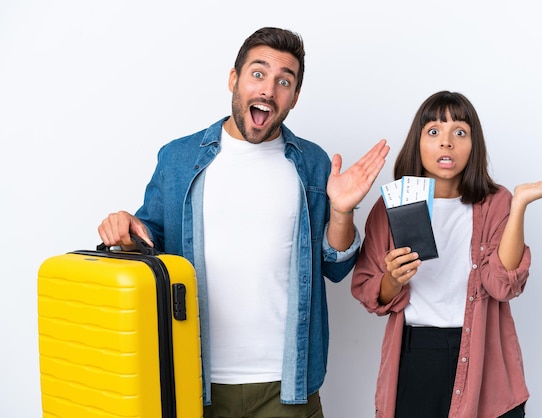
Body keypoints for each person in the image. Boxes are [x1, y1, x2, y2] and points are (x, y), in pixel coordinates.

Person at [97, 27, 389, 418]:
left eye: (284, 81)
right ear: (233, 79)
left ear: (294, 97)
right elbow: (151, 244)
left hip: (287, 385)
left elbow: (335, 268)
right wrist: (125, 231)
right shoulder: (178, 158)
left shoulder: (313, 164)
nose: (269, 89)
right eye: (258, 73)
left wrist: (342, 210)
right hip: (193, 379)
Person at [351, 90, 542, 418]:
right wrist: (393, 279)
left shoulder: (496, 201)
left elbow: (502, 285)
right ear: (418, 142)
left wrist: (519, 206)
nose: (447, 142)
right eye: (434, 132)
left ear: (474, 145)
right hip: (416, 356)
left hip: (484, 352)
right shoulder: (393, 205)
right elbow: (370, 293)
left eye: (460, 132)